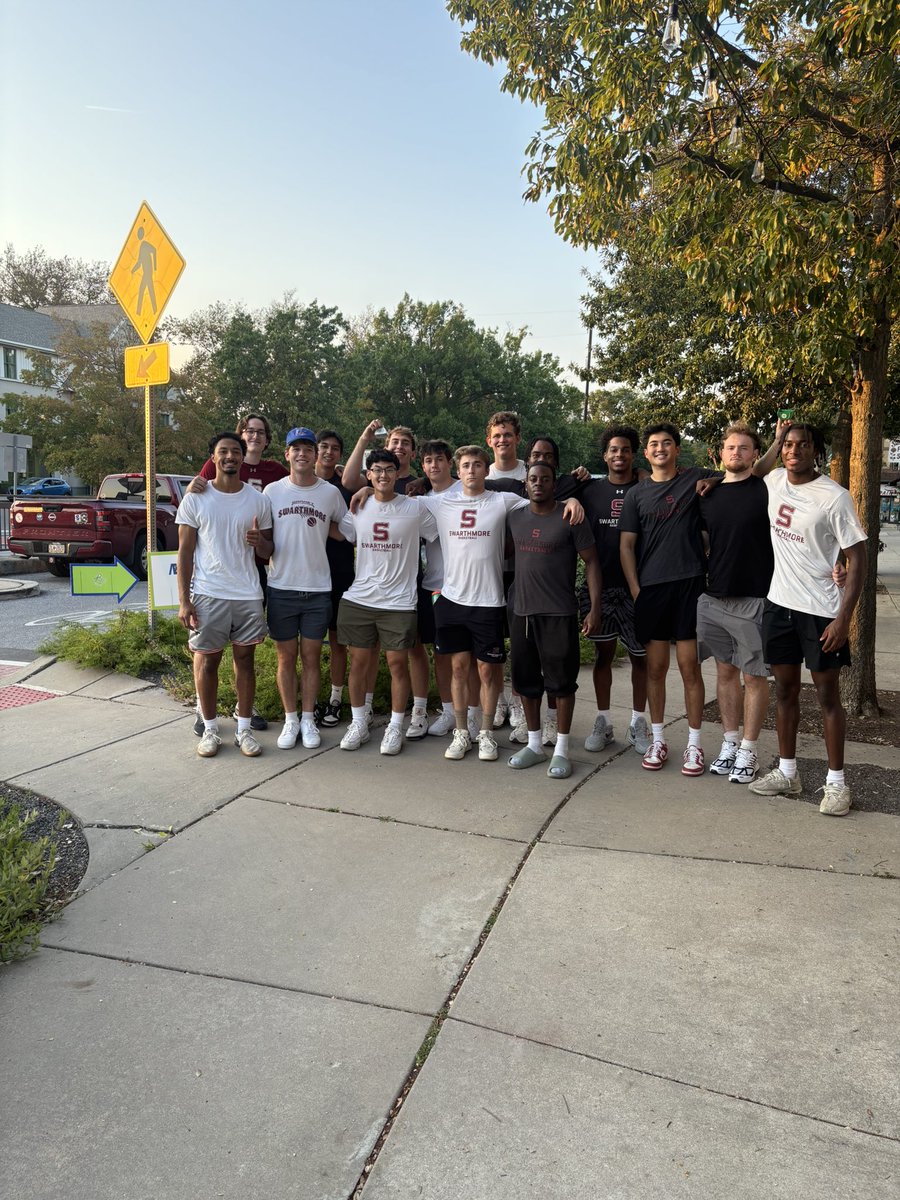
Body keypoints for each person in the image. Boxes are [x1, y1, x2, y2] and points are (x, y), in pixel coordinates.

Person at [425, 446, 583, 762]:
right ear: (459, 470)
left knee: (487, 671)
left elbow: (545, 502)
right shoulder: (440, 502)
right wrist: (363, 490)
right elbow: (392, 498)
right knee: (457, 668)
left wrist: (573, 500)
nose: (471, 470)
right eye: (466, 465)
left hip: (490, 600)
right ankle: (461, 732)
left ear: (487, 470)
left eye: (478, 465)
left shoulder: (503, 501)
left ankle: (485, 734)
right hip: (452, 599)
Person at [748, 423, 867, 816]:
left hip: (820, 613)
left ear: (816, 450)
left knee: (828, 698)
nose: (793, 451)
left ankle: (836, 784)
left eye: (802, 445)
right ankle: (787, 773)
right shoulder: (775, 480)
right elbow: (752, 472)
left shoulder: (834, 497)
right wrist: (776, 440)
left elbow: (858, 559)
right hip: (778, 605)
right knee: (784, 692)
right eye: (788, 445)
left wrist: (843, 618)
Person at [619, 423, 719, 775]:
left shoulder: (695, 479)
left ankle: (694, 745)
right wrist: (636, 589)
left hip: (690, 586)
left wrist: (715, 480)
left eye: (667, 443)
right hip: (652, 590)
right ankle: (658, 738)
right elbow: (626, 545)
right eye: (653, 445)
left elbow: (745, 472)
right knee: (656, 669)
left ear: (677, 449)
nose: (660, 448)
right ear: (646, 453)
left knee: (690, 668)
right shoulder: (636, 494)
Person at [176, 432, 273, 758]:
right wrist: (184, 601)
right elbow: (184, 552)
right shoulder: (196, 498)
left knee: (245, 662)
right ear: (213, 458)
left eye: (235, 451)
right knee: (207, 662)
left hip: (247, 593)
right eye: (223, 452)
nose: (230, 456)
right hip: (208, 594)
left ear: (242, 457)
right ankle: (211, 730)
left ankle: (244, 730)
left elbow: (270, 550)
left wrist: (260, 541)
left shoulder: (258, 500)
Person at [335, 450, 438, 755]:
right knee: (360, 664)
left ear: (398, 472)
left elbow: (439, 534)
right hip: (360, 597)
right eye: (377, 470)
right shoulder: (358, 506)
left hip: (399, 600)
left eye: (389, 470)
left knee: (397, 663)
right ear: (369, 475)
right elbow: (340, 534)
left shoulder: (415, 508)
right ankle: (358, 723)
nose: (383, 475)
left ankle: (395, 726)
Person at [189, 413, 287, 734]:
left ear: (266, 439)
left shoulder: (274, 475)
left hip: (252, 578)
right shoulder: (214, 470)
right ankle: (205, 714)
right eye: (249, 431)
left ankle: (243, 712)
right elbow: (199, 497)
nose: (254, 436)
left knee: (244, 654)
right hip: (212, 583)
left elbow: (297, 486)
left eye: (260, 432)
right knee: (208, 655)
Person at [506, 461, 602, 779]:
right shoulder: (515, 517)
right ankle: (534, 745)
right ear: (525, 483)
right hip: (521, 612)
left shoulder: (570, 516)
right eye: (533, 479)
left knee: (561, 685)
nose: (538, 484)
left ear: (553, 484)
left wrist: (594, 608)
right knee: (527, 684)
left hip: (559, 612)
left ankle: (560, 750)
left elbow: (591, 563)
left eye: (545, 479)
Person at [696, 423, 775, 784]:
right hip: (713, 598)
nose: (737, 453)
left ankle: (749, 749)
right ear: (721, 453)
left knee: (754, 676)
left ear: (755, 455)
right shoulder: (707, 493)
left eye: (744, 448)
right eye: (731, 447)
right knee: (725, 672)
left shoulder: (765, 488)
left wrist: (779, 438)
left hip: (754, 597)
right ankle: (729, 743)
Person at [263, 428, 348, 751]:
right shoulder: (271, 492)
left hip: (317, 589)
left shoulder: (329, 493)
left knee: (312, 658)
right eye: (295, 449)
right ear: (286, 454)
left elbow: (347, 527)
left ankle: (309, 718)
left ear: (315, 456)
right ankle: (290, 719)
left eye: (308, 449)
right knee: (286, 659)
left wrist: (367, 498)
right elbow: (265, 540)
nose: (302, 454)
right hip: (281, 587)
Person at [578, 426, 650, 755]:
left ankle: (638, 722)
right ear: (604, 455)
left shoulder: (647, 487)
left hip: (638, 588)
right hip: (601, 587)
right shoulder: (589, 490)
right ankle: (603, 721)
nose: (619, 455)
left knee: (641, 658)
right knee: (602, 656)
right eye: (613, 450)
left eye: (625, 450)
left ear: (633, 455)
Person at [315, 429, 356, 727]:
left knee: (339, 641)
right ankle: (311, 703)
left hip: (340, 573)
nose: (329, 452)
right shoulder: (295, 482)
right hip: (305, 575)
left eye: (335, 448)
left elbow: (350, 532)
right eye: (324, 447)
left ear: (341, 455)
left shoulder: (345, 486)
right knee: (309, 644)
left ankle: (335, 700)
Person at [341, 419, 419, 494]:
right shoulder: (374, 476)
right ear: (385, 450)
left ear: (413, 454)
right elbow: (348, 482)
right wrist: (364, 439)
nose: (399, 446)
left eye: (405, 443)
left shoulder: (419, 486)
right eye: (395, 442)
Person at [486, 411, 526, 481]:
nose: (502, 440)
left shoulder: (531, 473)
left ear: (518, 438)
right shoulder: (484, 477)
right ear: (489, 441)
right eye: (497, 436)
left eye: (508, 435)